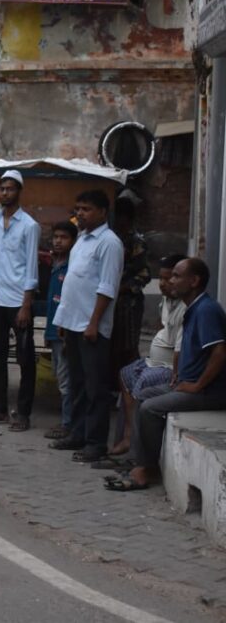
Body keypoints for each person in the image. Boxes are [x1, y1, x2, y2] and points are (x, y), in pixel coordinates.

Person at [106, 258, 226, 492]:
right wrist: (179, 374)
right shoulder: (192, 307)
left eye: (177, 276)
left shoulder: (206, 310)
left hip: (208, 391)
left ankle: (144, 471)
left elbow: (220, 353)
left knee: (150, 408)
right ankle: (143, 462)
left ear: (194, 281)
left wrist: (196, 385)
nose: (171, 281)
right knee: (143, 395)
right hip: (186, 383)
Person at [50, 189, 124, 463]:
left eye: (87, 209)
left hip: (91, 327)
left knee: (95, 388)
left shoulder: (109, 243)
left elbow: (107, 288)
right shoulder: (81, 239)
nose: (80, 213)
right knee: (78, 384)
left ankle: (95, 443)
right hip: (73, 322)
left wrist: (94, 323)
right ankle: (77, 433)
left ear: (103, 212)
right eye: (78, 208)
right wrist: (62, 320)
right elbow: (73, 282)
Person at [0, 169, 41, 432]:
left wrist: (26, 304)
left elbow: (31, 268)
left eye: (10, 189)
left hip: (18, 299)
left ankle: (23, 413)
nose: (5, 193)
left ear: (19, 192)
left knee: (25, 358)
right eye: (2, 189)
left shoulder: (29, 225)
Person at [108, 254, 187, 456]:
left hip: (170, 369)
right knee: (125, 374)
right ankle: (127, 435)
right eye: (161, 278)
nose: (163, 284)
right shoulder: (167, 301)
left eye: (170, 279)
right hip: (154, 361)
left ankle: (136, 454)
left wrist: (176, 377)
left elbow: (180, 350)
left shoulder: (188, 308)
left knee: (144, 383)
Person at [110, 197, 151, 393]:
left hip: (128, 303)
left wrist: (123, 289)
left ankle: (131, 388)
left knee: (128, 346)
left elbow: (144, 274)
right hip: (111, 300)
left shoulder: (136, 242)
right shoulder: (110, 236)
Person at [42, 221, 78, 441]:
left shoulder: (72, 267)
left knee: (66, 379)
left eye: (63, 237)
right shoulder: (54, 265)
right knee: (61, 375)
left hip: (64, 331)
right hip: (53, 330)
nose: (58, 241)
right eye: (56, 237)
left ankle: (68, 423)